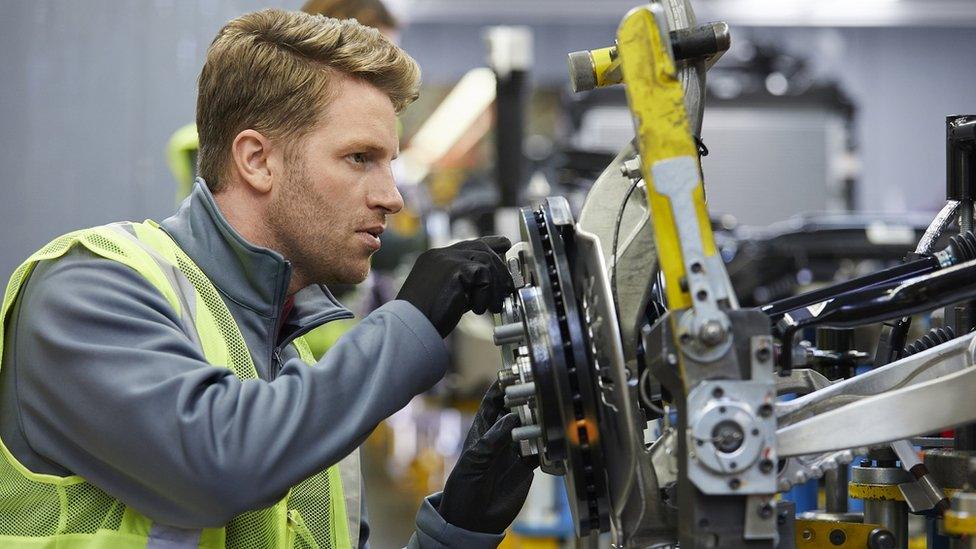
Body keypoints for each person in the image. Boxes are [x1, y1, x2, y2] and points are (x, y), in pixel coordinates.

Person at [0, 9, 534, 548]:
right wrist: (412, 319)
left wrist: (462, 524)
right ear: (257, 160)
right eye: (359, 158)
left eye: (389, 163)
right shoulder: (83, 290)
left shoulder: (299, 376)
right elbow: (216, 464)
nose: (391, 197)